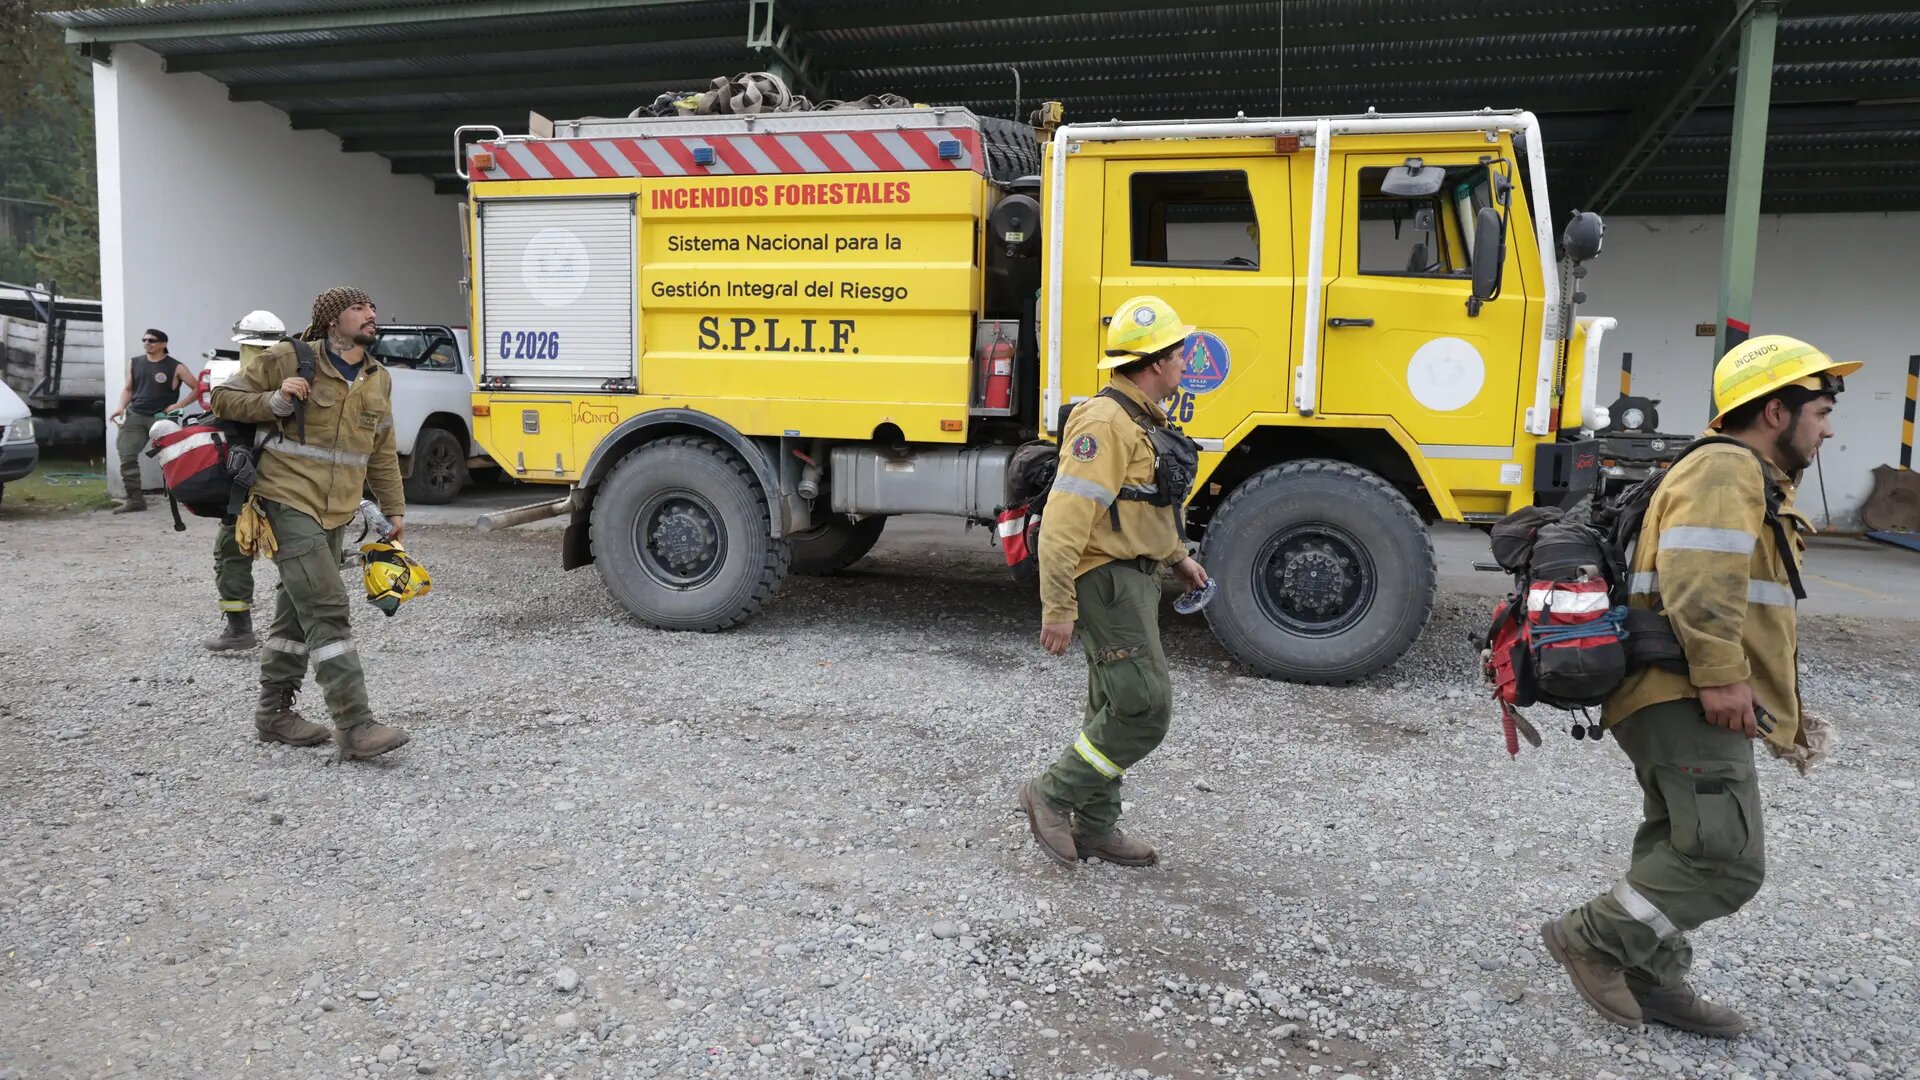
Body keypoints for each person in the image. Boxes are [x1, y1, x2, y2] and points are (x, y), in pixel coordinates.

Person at [1541, 335, 1859, 1036]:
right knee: (1725, 859)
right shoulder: (1726, 468)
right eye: (1822, 412)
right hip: (1685, 691)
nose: (1829, 430)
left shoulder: (1741, 474)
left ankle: (1650, 976)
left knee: (1680, 841)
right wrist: (1721, 678)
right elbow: (1700, 579)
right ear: (1775, 412)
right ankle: (1593, 939)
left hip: (1673, 690)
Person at [1017, 295, 1209, 869]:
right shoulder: (1104, 423)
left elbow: (1140, 504)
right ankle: (1050, 795)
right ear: (1156, 362)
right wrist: (1058, 606)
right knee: (1144, 707)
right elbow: (1064, 522)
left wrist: (1176, 557)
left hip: (1135, 576)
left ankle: (1096, 828)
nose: (1184, 363)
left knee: (1111, 702)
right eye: (1180, 354)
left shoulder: (1137, 419)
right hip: (1108, 581)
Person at [211, 287, 411, 762]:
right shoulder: (289, 358)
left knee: (294, 611)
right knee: (325, 605)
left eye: (372, 307)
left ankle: (273, 714)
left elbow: (381, 449)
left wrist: (393, 508)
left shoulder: (377, 378)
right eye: (359, 308)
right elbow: (222, 398)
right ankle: (355, 725)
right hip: (285, 500)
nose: (371, 314)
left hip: (338, 510)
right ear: (332, 320)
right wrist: (275, 401)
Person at [203, 311, 288, 652]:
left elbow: (229, 415)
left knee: (231, 550)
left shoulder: (235, 382)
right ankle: (294, 630)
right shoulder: (300, 376)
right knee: (295, 555)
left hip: (248, 481)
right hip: (288, 482)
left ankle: (240, 630)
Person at [108, 329, 198, 513]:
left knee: (175, 457)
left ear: (163, 344)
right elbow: (128, 389)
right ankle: (135, 500)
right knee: (126, 455)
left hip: (162, 416)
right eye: (144, 340)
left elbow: (198, 388)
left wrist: (179, 405)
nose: (147, 343)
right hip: (136, 414)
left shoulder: (176, 366)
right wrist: (120, 407)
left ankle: (186, 496)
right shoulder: (135, 363)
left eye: (152, 340)